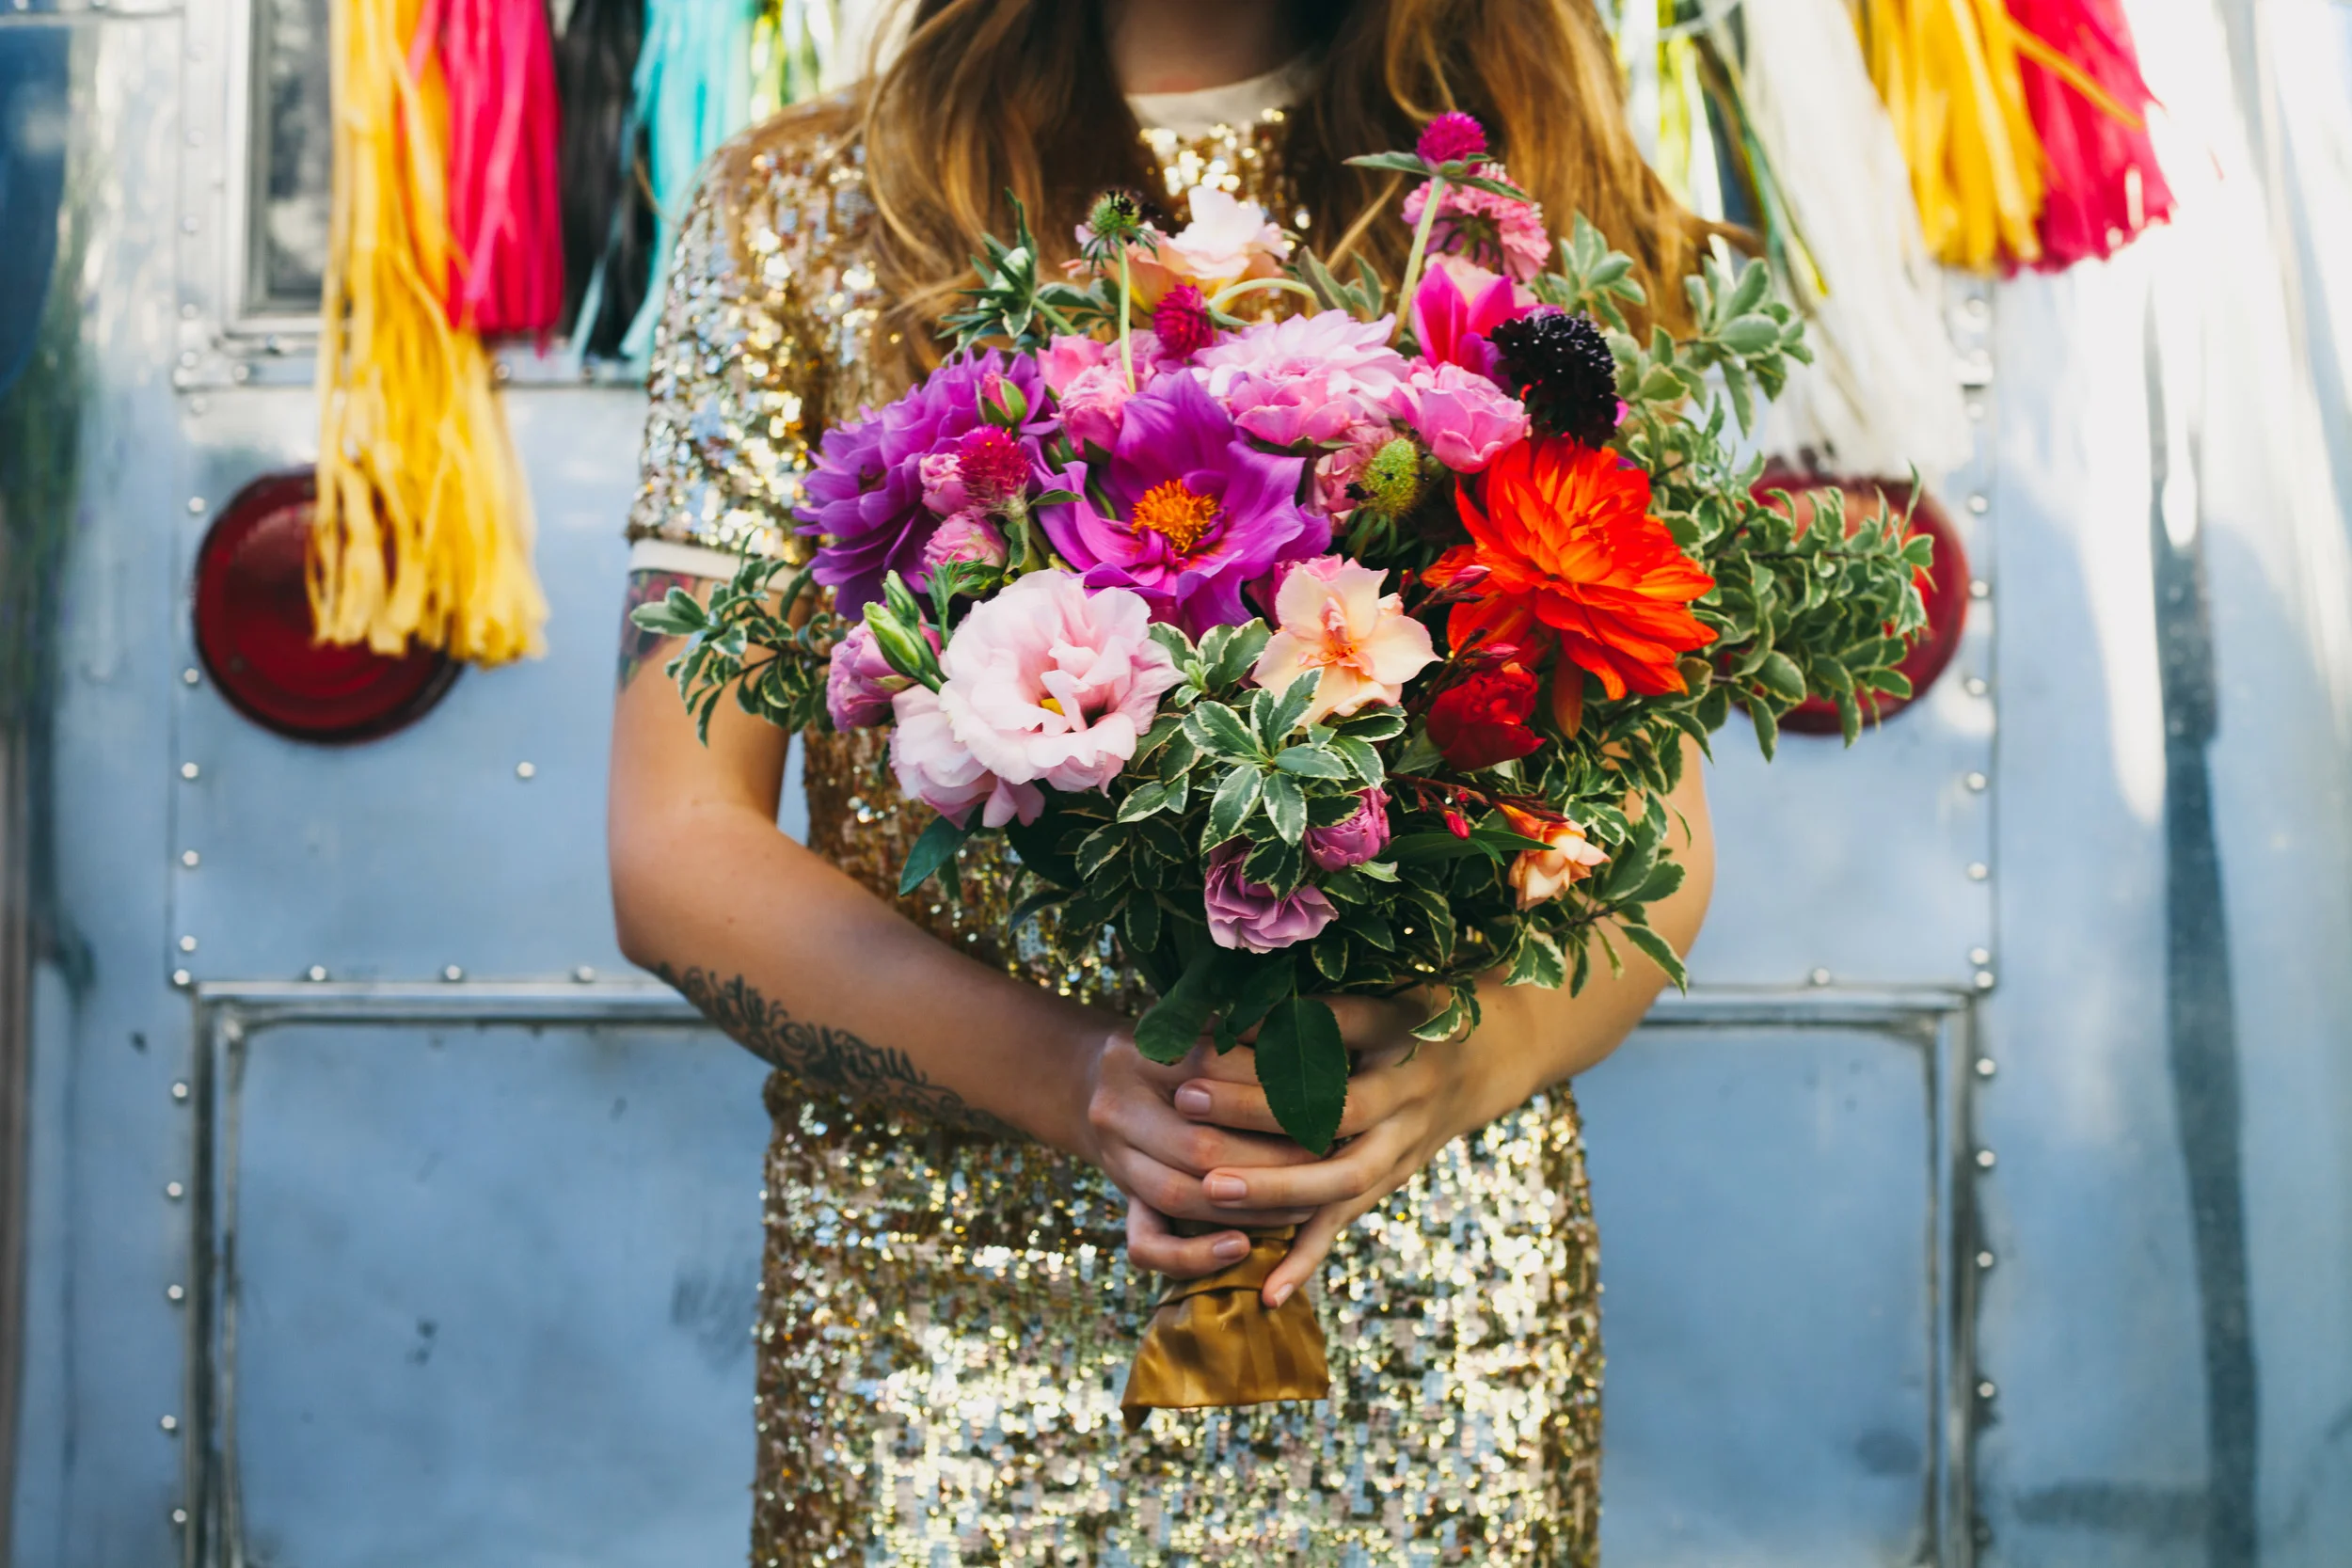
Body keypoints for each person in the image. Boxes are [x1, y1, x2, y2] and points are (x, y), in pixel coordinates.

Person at [608, 0, 1715, 1559]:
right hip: (938, 1339)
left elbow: (1651, 829)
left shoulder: (1526, 214)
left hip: (1431, 1306)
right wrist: (1082, 1082)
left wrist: (1455, 1072)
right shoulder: (801, 208)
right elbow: (674, 841)